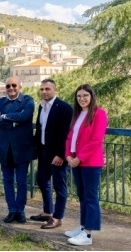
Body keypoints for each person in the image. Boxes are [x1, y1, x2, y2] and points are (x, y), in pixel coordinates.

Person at [64, 84, 107, 246]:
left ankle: (88, 234)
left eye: (85, 96)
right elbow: (70, 136)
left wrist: (80, 158)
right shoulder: (77, 114)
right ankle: (82, 227)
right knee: (82, 196)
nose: (82, 99)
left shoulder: (99, 114)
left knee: (90, 197)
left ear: (91, 97)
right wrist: (68, 154)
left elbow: (96, 139)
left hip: (90, 162)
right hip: (76, 161)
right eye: (79, 96)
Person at [0, 76, 35, 223]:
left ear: (20, 86)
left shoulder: (28, 101)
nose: (11, 88)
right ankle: (11, 210)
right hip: (5, 148)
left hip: (22, 148)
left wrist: (6, 116)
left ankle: (20, 210)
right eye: (8, 86)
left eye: (14, 85)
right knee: (8, 180)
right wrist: (14, 123)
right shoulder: (0, 102)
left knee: (22, 181)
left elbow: (25, 116)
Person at [31, 79, 72, 229]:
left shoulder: (64, 108)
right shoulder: (42, 107)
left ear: (56, 89)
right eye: (42, 89)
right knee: (42, 180)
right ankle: (48, 211)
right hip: (43, 151)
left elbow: (66, 133)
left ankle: (57, 217)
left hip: (57, 154)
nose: (44, 92)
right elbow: (41, 129)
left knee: (59, 186)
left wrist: (61, 155)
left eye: (47, 89)